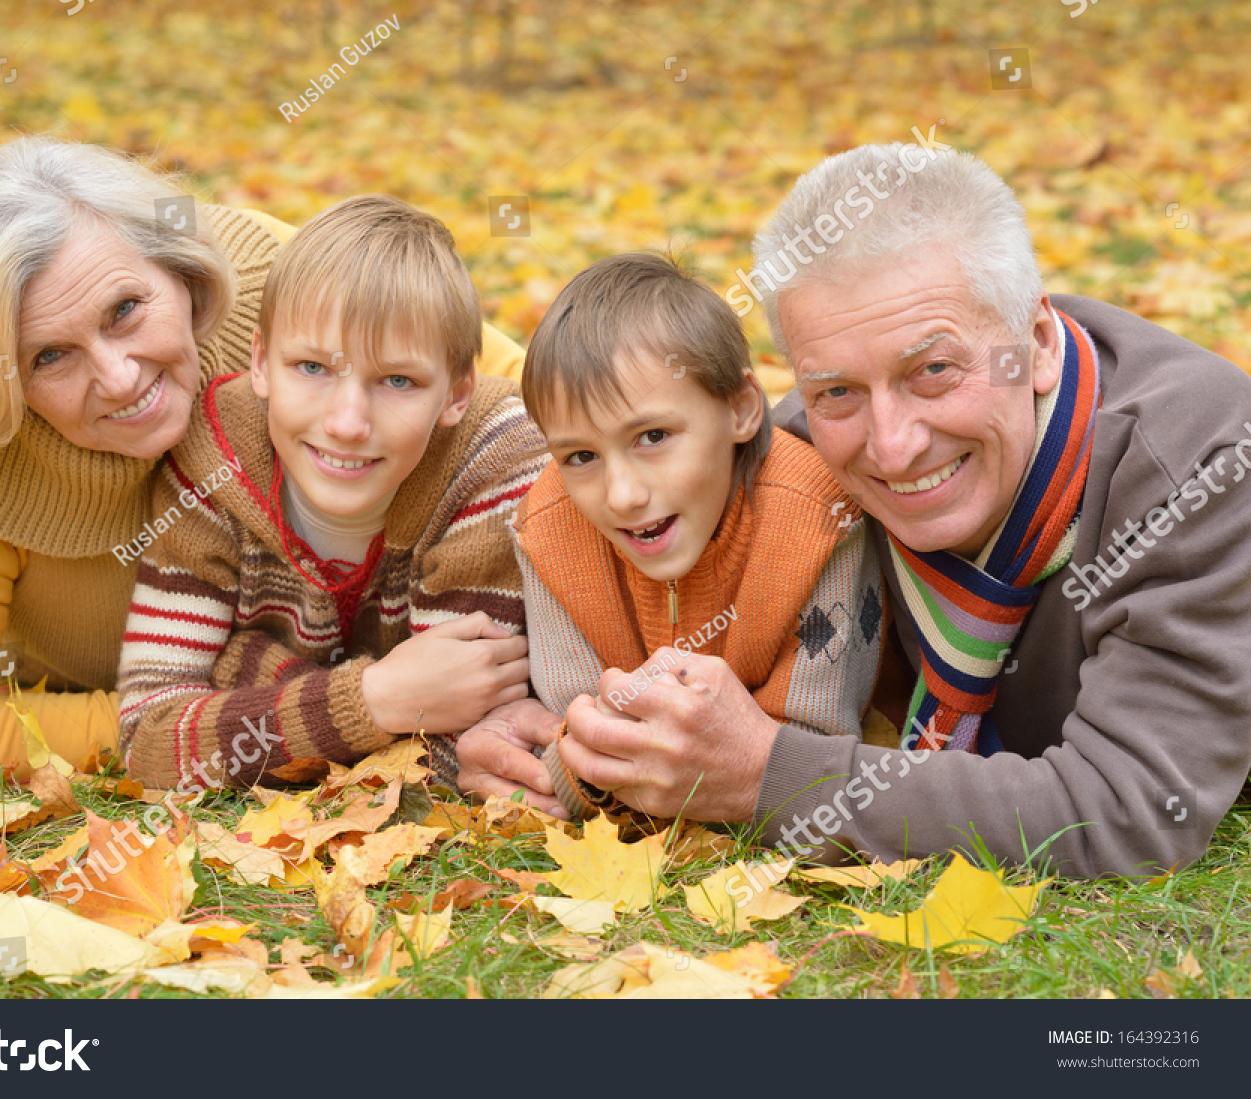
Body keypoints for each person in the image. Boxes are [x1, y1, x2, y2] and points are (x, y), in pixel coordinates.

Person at [477, 141, 1251, 879]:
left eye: (934, 370)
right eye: (837, 390)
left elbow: (1133, 807)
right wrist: (510, 722)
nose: (892, 444)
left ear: (1037, 343)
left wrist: (769, 774)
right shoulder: (798, 459)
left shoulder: (1204, 469)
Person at [0, 136, 525, 781]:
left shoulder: (285, 286)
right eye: (49, 356)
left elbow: (534, 400)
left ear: (181, 270)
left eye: (124, 309)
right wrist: (328, 711)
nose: (118, 378)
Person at [114, 195, 546, 792]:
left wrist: (248, 666)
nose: (347, 423)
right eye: (313, 368)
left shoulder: (493, 461)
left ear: (455, 393)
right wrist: (374, 699)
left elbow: (457, 729)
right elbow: (150, 741)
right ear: (262, 361)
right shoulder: (212, 461)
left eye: (398, 380)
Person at [455, 253, 887, 820]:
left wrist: (602, 764)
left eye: (652, 436)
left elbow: (807, 750)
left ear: (740, 408)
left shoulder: (817, 519)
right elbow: (571, 734)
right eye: (581, 456)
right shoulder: (551, 529)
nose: (623, 495)